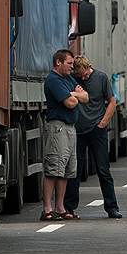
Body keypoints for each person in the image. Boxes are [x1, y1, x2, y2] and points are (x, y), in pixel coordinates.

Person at [64, 56, 122, 219]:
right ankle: (69, 207)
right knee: (75, 171)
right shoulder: (72, 78)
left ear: (89, 67)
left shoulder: (101, 77)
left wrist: (103, 122)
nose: (83, 78)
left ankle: (112, 207)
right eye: (80, 76)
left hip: (97, 130)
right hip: (78, 130)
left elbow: (112, 101)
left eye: (85, 75)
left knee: (103, 170)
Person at [41, 49, 88, 221]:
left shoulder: (68, 79)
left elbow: (86, 97)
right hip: (58, 128)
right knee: (54, 168)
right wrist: (75, 95)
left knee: (67, 169)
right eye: (69, 63)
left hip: (70, 128)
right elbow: (70, 103)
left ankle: (60, 207)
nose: (72, 67)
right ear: (58, 62)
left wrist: (75, 94)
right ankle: (47, 208)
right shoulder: (53, 80)